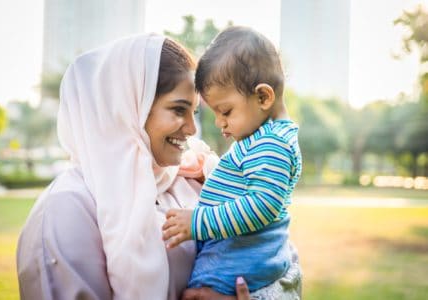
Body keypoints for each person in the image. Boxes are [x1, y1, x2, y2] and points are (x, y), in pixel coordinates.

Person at [17, 34, 253, 300]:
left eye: (194, 113)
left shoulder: (191, 183)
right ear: (127, 109)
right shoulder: (68, 208)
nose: (191, 129)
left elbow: (278, 258)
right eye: (178, 110)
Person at [163, 26, 303, 298]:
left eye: (226, 111)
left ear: (263, 96)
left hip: (236, 269)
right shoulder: (260, 139)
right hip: (234, 264)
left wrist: (197, 223)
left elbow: (261, 206)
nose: (220, 123)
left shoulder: (272, 144)